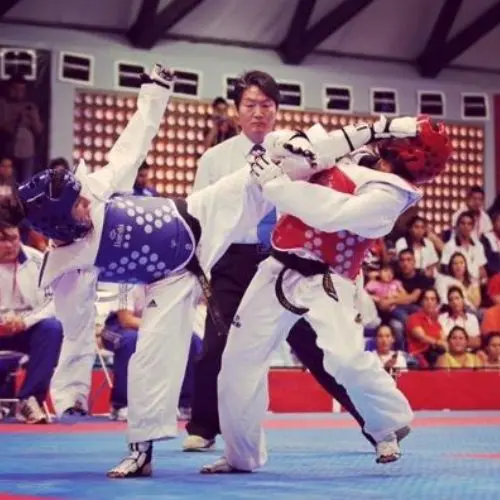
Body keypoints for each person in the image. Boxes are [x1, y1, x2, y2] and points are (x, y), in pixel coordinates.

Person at [16, 63, 412, 477]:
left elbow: (133, 142)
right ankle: (146, 449)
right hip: (173, 277)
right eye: (76, 206)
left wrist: (156, 89)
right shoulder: (66, 268)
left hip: (204, 219)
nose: (86, 202)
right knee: (158, 358)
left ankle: (366, 139)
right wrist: (71, 395)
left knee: (284, 154)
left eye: (266, 104)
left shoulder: (95, 188)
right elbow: (75, 332)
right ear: (58, 223)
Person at [200, 115, 452, 474]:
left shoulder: (392, 194)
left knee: (345, 359)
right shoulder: (357, 153)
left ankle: (389, 424)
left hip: (328, 280)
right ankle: (242, 455)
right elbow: (295, 145)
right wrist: (293, 143)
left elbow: (332, 213)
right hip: (277, 266)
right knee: (238, 361)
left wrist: (277, 186)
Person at [184, 69, 419, 452]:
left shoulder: (302, 146)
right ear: (237, 110)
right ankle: (205, 427)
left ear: (277, 109)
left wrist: (384, 129)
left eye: (266, 105)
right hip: (233, 260)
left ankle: (378, 429)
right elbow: (200, 214)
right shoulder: (215, 158)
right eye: (250, 105)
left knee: (325, 352)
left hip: (292, 258)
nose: (258, 113)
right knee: (219, 347)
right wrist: (200, 268)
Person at [0, 196, 63, 423]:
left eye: (13, 239)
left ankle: (30, 399)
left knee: (52, 328)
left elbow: (52, 302)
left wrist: (24, 322)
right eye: (2, 240)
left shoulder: (37, 260)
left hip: (25, 330)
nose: (10, 245)